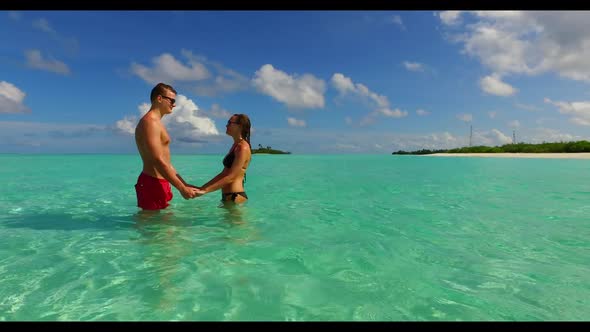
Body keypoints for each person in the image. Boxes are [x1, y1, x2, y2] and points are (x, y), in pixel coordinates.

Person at [134, 82, 204, 210]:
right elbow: (157, 160)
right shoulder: (150, 123)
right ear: (159, 98)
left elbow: (166, 161)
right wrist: (181, 188)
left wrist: (183, 183)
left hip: (161, 182)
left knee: (164, 227)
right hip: (152, 182)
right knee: (152, 227)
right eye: (171, 100)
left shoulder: (157, 123)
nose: (174, 104)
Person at [198, 114, 252, 205]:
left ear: (240, 126)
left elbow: (231, 177)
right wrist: (202, 189)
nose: (226, 125)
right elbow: (223, 174)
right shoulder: (235, 146)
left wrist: (204, 191)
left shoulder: (243, 148)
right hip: (229, 196)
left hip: (235, 197)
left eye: (229, 123)